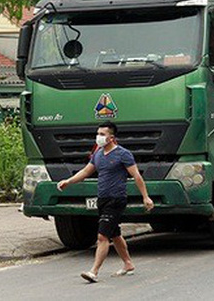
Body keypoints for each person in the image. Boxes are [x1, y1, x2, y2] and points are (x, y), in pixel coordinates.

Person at [57, 121, 155, 283]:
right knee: (114, 234)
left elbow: (137, 176)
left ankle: (94, 271)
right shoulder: (98, 154)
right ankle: (128, 264)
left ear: (111, 138)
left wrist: (146, 196)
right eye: (98, 134)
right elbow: (86, 171)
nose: (99, 137)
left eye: (102, 135)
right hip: (102, 199)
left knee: (102, 236)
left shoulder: (123, 154)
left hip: (116, 199)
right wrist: (69, 181)